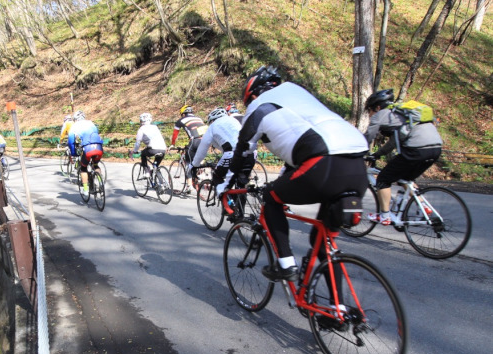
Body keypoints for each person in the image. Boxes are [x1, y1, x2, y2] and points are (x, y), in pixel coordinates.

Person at [230, 65, 369, 282]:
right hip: (357, 164)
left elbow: (244, 148)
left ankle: (285, 265)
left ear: (253, 94)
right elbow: (296, 153)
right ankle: (338, 311)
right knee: (323, 246)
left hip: (323, 161)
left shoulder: (259, 105)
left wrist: (233, 174)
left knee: (271, 197)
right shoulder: (297, 93)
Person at [364, 89, 443, 225]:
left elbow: (368, 137)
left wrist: (357, 151)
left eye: (369, 111)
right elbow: (393, 143)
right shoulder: (402, 115)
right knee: (405, 179)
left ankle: (384, 215)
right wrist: (377, 155)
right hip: (436, 148)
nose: (370, 115)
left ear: (377, 107)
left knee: (383, 179)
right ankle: (423, 206)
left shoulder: (380, 115)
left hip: (417, 149)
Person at [186, 107, 241, 200]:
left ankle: (230, 204)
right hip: (251, 152)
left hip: (233, 154)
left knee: (217, 175)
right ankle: (240, 210)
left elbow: (202, 148)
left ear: (212, 120)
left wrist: (195, 164)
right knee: (241, 183)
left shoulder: (213, 126)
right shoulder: (234, 121)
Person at [68, 111, 104, 196]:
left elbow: (70, 141)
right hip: (99, 147)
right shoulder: (91, 123)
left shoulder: (75, 126)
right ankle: (100, 184)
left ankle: (85, 190)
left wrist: (74, 153)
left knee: (83, 168)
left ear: (75, 119)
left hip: (88, 148)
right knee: (95, 165)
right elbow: (96, 134)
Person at [129, 112, 168, 179]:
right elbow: (161, 138)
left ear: (141, 121)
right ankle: (159, 179)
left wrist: (134, 151)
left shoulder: (141, 129)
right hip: (163, 149)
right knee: (155, 166)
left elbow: (138, 143)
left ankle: (147, 171)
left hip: (152, 150)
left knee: (143, 154)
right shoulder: (155, 127)